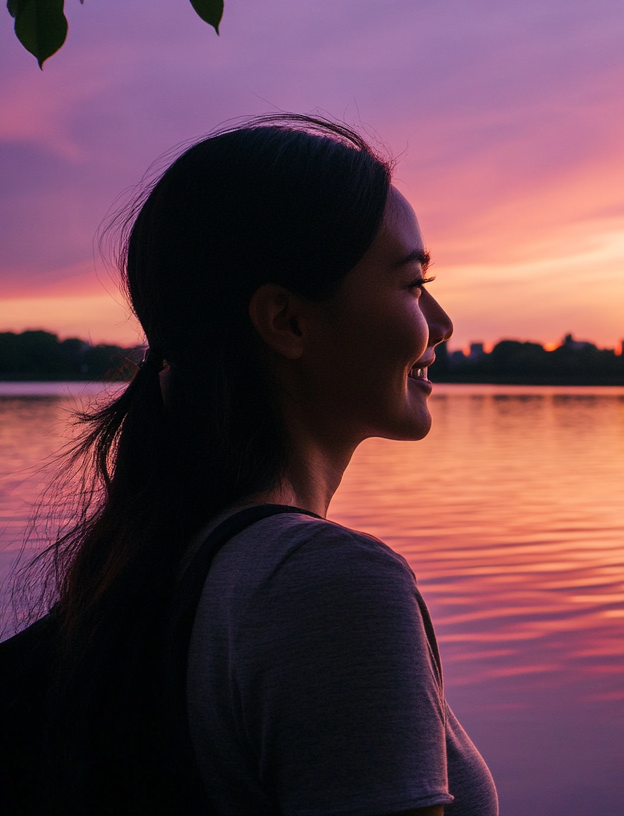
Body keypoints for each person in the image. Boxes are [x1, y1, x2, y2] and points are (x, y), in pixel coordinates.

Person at [20, 115, 497, 815]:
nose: (441, 321)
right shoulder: (330, 585)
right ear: (287, 322)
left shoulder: (157, 565)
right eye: (410, 283)